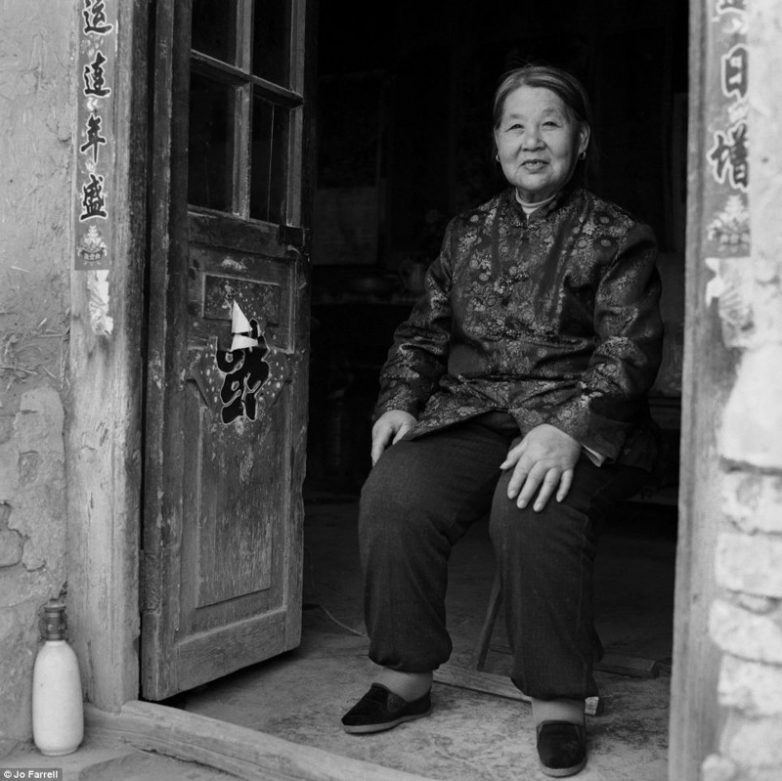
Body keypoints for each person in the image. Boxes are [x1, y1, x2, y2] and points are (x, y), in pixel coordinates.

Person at [340, 63, 663, 778]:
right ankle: (404, 674)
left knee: (529, 506)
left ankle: (558, 698)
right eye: (516, 126)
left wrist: (570, 426)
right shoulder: (466, 234)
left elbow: (630, 350)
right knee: (395, 493)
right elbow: (421, 334)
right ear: (496, 145)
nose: (532, 140)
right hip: (477, 411)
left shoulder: (618, 234)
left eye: (550, 123)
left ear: (581, 139)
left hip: (581, 419)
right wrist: (398, 400)